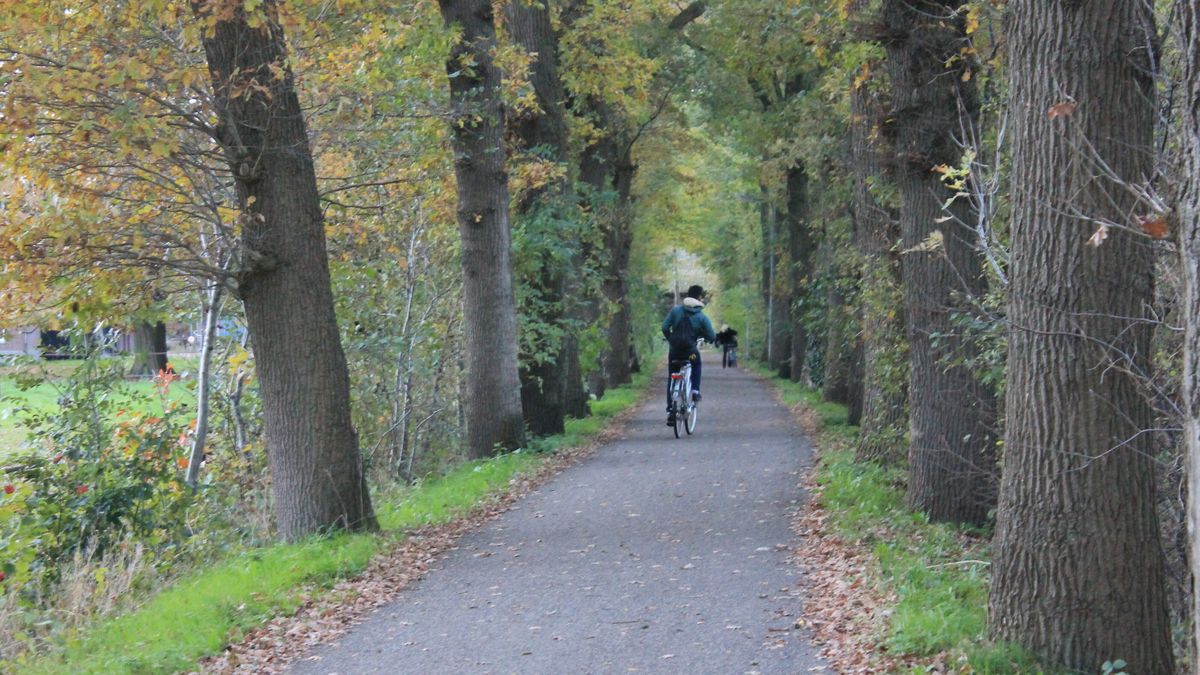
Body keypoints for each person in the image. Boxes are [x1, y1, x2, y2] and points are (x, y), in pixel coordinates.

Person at [661, 285, 717, 425]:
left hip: (674, 352)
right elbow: (711, 335)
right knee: (696, 363)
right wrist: (707, 338)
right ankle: (696, 390)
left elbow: (664, 327)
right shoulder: (701, 316)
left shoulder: (675, 311)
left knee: (672, 376)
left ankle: (670, 410)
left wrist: (671, 339)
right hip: (690, 353)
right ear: (699, 297)